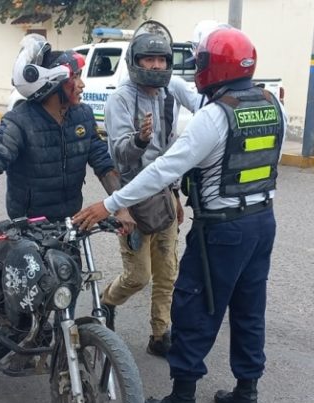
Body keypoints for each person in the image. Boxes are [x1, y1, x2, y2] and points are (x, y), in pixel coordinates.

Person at [73, 25, 286, 403]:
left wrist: (110, 203)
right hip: (262, 222)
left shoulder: (214, 118)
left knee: (194, 308)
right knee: (248, 310)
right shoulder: (273, 105)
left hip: (223, 229)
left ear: (213, 69)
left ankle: (182, 401)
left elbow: (166, 168)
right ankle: (247, 394)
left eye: (200, 63)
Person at [0, 33, 134, 246]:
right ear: (54, 84)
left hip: (71, 223)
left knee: (72, 277)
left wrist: (121, 207)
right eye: (74, 77)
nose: (82, 84)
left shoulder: (83, 115)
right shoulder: (20, 122)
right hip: (29, 227)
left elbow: (104, 165)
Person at [100, 20, 201, 358]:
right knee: (138, 277)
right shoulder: (121, 100)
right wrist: (140, 140)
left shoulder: (168, 94)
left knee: (167, 273)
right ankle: (106, 302)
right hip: (131, 200)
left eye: (161, 60)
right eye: (149, 59)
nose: (156, 65)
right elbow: (119, 157)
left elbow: (170, 155)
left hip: (164, 198)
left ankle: (160, 335)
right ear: (135, 61)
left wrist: (174, 195)